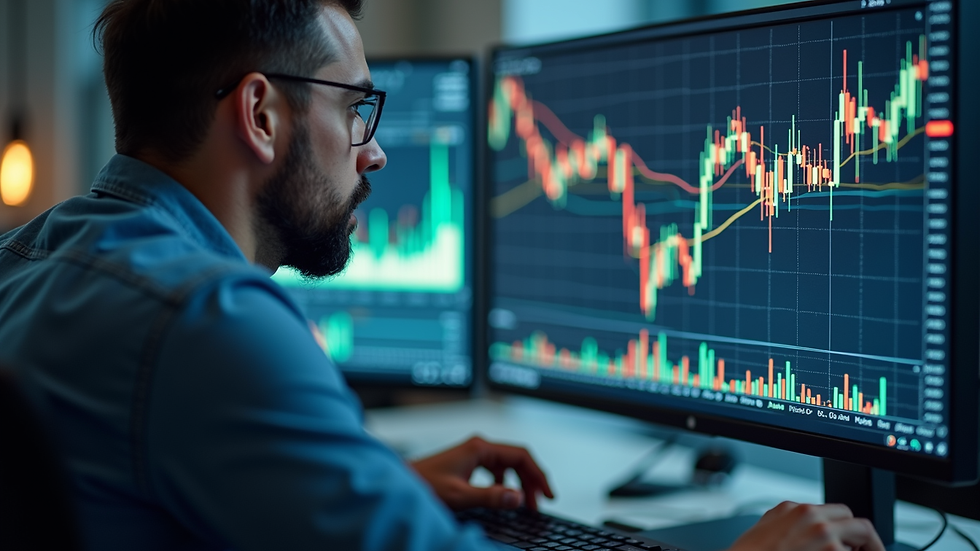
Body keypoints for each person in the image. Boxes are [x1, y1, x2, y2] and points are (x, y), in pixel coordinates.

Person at [0, 1, 885, 550]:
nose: (376, 151)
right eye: (356, 110)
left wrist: (356, 483)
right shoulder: (213, 322)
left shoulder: (32, 258)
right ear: (260, 113)